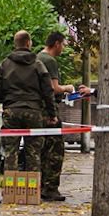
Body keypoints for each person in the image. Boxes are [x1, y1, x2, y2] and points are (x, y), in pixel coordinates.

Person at [0, 30, 56, 187]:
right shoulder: (38, 64)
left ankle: (11, 190)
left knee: (10, 151)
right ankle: (32, 190)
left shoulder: (4, 64)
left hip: (11, 111)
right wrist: (51, 112)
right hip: (33, 111)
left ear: (15, 43)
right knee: (33, 152)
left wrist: (5, 102)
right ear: (28, 43)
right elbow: (48, 90)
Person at [37, 31, 90, 201]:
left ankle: (38, 185)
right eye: (64, 44)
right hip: (49, 110)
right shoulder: (50, 61)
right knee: (55, 150)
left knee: (41, 150)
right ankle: (50, 188)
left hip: (37, 110)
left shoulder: (37, 57)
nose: (64, 47)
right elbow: (54, 87)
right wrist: (67, 88)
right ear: (57, 43)